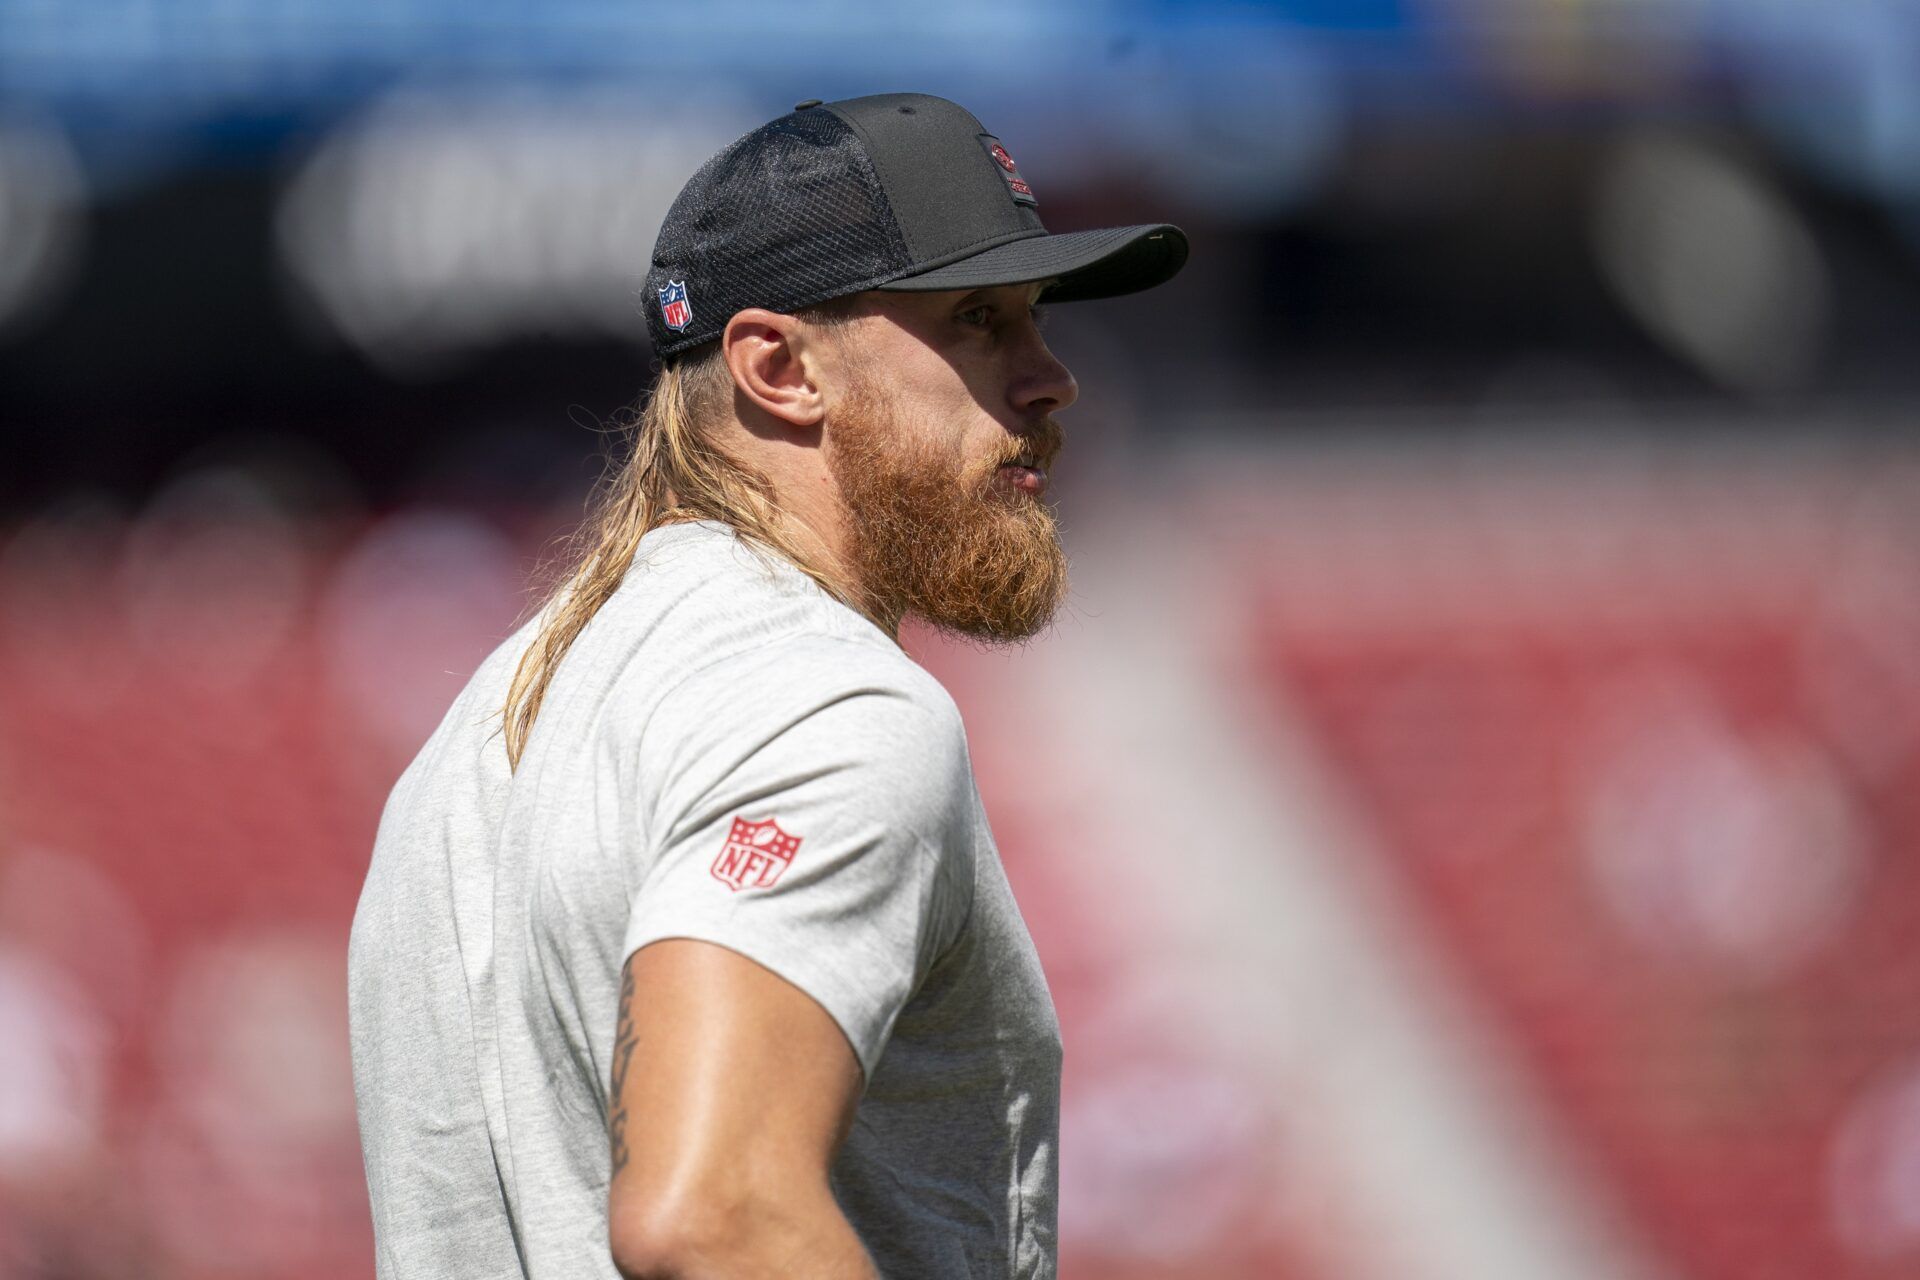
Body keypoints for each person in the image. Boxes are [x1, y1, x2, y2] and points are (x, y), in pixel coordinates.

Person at [347, 92, 1188, 1280]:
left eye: (1035, 321)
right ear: (781, 367)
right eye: (981, 321)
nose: (1053, 380)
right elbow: (711, 1211)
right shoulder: (835, 710)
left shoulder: (490, 721)